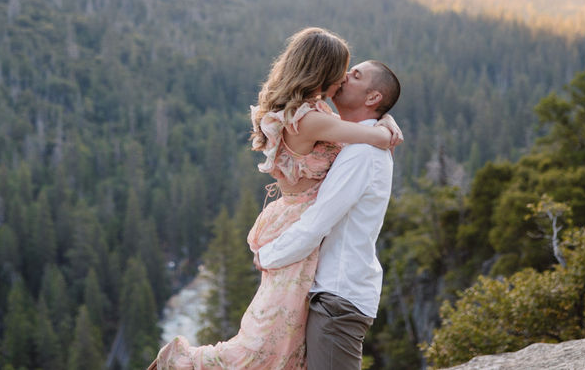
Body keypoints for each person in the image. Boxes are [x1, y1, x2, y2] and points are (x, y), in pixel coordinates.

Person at [151, 27, 401, 369]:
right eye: (344, 69)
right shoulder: (312, 120)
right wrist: (384, 126)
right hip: (297, 234)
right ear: (321, 70)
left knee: (281, 346)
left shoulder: (325, 121)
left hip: (307, 248)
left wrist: (384, 119)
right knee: (267, 343)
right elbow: (371, 139)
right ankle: (181, 363)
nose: (344, 77)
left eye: (353, 73)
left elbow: (365, 140)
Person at [256, 59, 401, 370]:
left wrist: (267, 256)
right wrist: (387, 120)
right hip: (333, 293)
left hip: (339, 297)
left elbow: (318, 222)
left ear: (373, 97)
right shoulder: (357, 139)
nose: (344, 76)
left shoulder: (362, 153)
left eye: (355, 74)